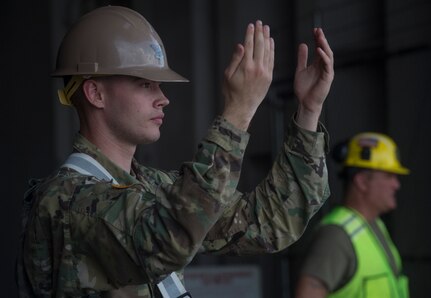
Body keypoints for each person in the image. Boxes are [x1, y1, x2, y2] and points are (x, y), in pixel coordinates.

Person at [17, 5, 334, 297]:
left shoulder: (150, 188)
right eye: (145, 84)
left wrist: (308, 111)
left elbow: (268, 223)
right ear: (95, 93)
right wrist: (238, 112)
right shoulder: (65, 201)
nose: (163, 98)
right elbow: (166, 238)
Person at [295, 132, 410, 298]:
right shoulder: (336, 236)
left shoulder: (376, 225)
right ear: (362, 181)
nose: (396, 184)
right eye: (389, 176)